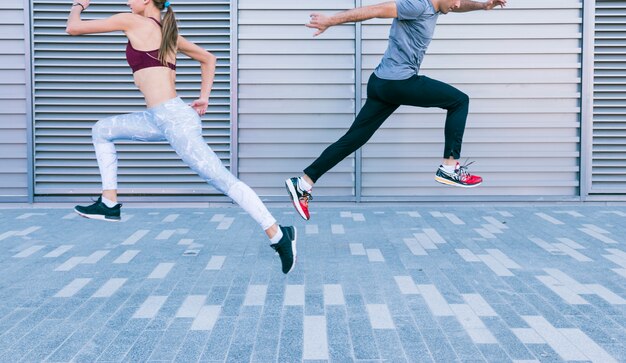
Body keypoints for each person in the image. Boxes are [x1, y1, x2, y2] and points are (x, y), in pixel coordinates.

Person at [67, 0, 296, 274]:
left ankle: (279, 234)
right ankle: (109, 202)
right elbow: (209, 59)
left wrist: (79, 3)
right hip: (157, 118)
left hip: (174, 120)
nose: (127, 1)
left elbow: (73, 28)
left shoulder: (133, 21)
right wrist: (204, 98)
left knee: (222, 179)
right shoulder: (167, 32)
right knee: (101, 130)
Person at [285, 0, 506, 220]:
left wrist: (484, 6)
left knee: (353, 139)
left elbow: (461, 5)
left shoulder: (439, 6)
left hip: (381, 83)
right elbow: (375, 10)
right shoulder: (417, 5)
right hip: (398, 83)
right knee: (459, 101)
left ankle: (304, 182)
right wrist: (330, 20)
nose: (458, 4)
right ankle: (449, 167)